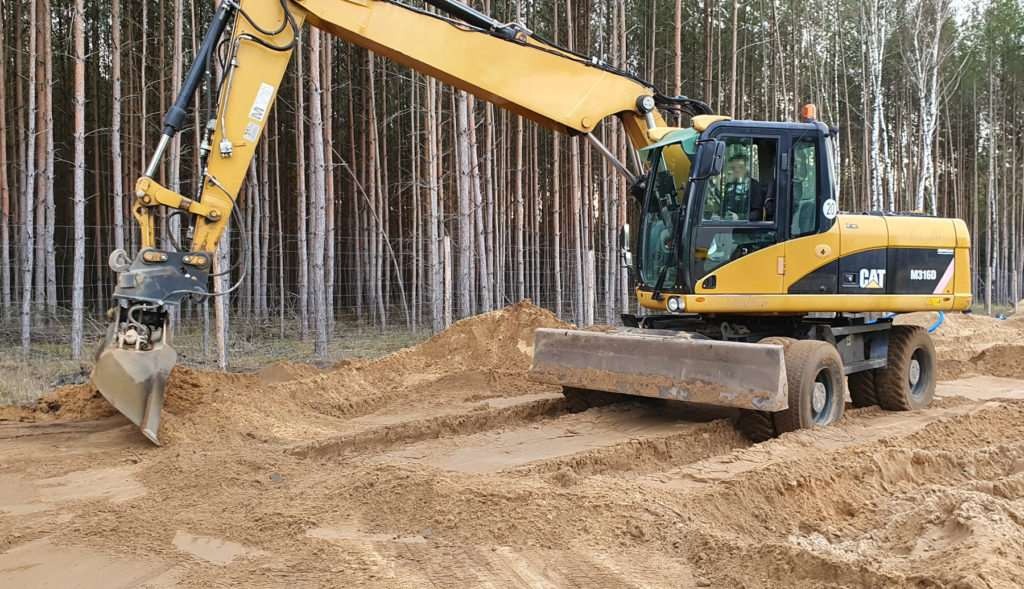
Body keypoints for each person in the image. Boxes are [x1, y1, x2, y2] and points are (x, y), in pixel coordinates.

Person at [722, 154, 768, 221]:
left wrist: (739, 217)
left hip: (746, 226)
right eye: (733, 168)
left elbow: (758, 214)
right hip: (727, 224)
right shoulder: (729, 186)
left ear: (746, 169)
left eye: (740, 167)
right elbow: (723, 209)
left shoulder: (754, 186)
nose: (737, 170)